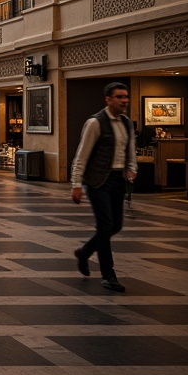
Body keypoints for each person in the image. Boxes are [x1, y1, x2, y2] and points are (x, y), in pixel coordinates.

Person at [71, 81, 137, 293]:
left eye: (125, 97)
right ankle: (108, 275)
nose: (124, 100)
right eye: (119, 97)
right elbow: (82, 155)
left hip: (118, 178)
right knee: (106, 226)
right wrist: (76, 184)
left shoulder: (126, 123)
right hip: (98, 181)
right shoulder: (95, 123)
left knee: (115, 225)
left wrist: (131, 168)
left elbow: (130, 149)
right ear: (108, 99)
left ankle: (84, 252)